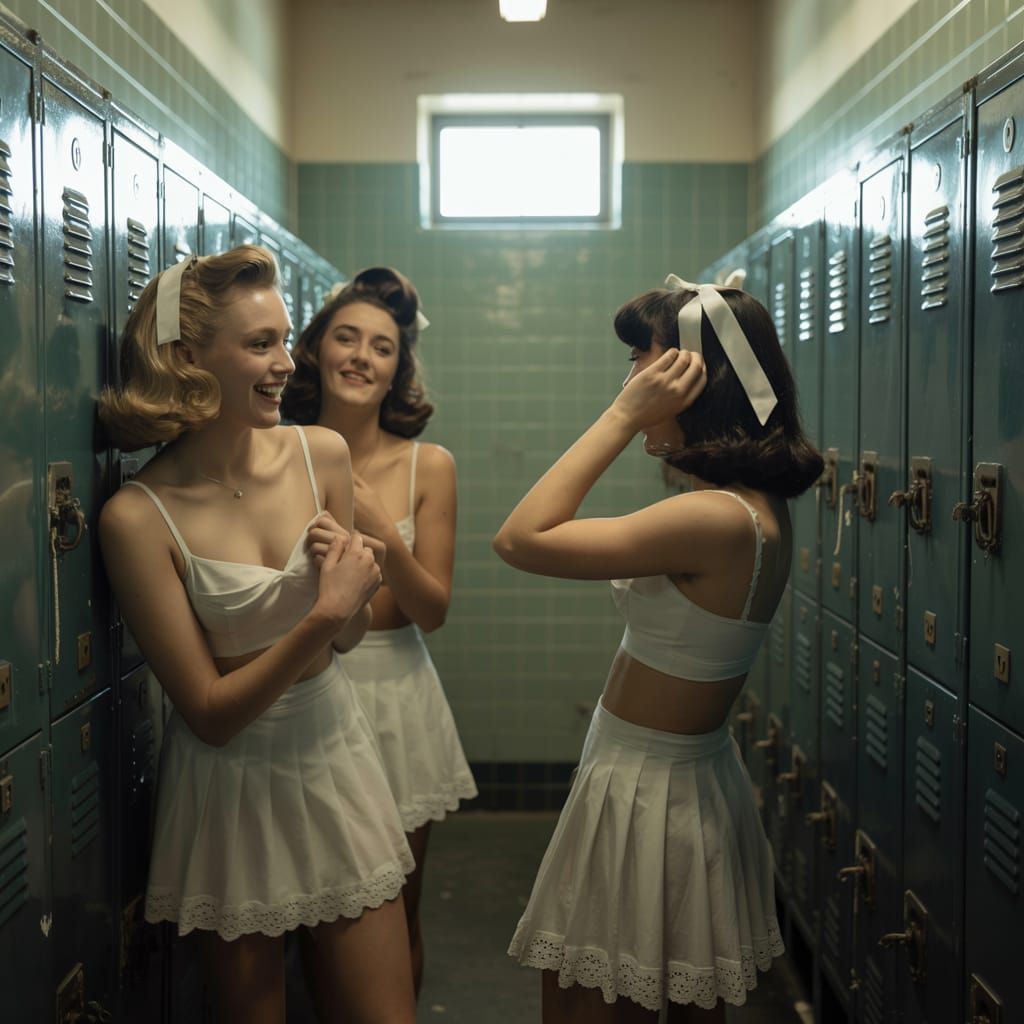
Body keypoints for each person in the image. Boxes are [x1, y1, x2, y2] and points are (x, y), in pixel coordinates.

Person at [97, 246, 417, 1024]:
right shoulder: (137, 517)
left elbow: (349, 637)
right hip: (230, 788)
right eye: (259, 345)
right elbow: (209, 712)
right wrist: (323, 613)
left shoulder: (323, 454)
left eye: (282, 339)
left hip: (334, 757)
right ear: (186, 358)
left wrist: (349, 596)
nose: (286, 364)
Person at [494, 274, 824, 1023]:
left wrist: (621, 417)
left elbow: (521, 537)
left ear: (694, 382)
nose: (631, 379)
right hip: (675, 781)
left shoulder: (715, 518)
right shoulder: (748, 505)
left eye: (641, 362)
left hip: (647, 790)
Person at [281, 266, 477, 995]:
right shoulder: (277, 450)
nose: (363, 356)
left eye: (383, 347)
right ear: (315, 350)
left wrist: (379, 532)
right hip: (301, 689)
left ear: (399, 370)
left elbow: (434, 609)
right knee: (303, 905)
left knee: (394, 909)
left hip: (394, 698)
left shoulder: (429, 465)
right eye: (347, 338)